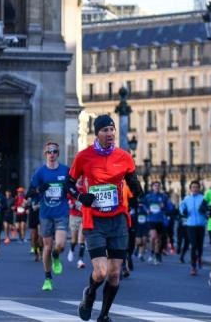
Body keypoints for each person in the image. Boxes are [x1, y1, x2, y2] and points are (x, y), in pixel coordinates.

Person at [69, 114, 143, 322]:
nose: (110, 134)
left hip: (118, 220)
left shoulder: (124, 157)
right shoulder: (84, 157)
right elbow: (69, 184)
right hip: (94, 220)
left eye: (112, 130)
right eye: (105, 130)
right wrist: (80, 196)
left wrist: (138, 191)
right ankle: (89, 294)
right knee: (100, 273)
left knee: (114, 274)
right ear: (97, 133)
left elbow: (133, 182)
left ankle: (104, 315)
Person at [31, 142, 71, 291]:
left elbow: (73, 187)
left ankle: (56, 255)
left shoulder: (65, 171)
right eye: (49, 152)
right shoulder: (40, 172)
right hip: (46, 214)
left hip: (61, 212)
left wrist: (75, 194)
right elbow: (31, 191)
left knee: (60, 245)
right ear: (45, 154)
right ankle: (48, 278)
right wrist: (39, 189)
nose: (52, 154)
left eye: (54, 151)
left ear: (58, 154)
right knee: (46, 247)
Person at [179, 180, 207, 276]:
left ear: (199, 189)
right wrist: (184, 212)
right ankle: (193, 267)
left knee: (200, 246)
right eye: (193, 187)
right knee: (193, 245)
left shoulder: (203, 198)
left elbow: (208, 209)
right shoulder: (187, 199)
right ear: (190, 189)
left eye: (196, 187)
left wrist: (205, 211)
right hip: (190, 225)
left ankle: (199, 257)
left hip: (201, 225)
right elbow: (181, 208)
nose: (195, 188)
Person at [142, 181, 171, 264]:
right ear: (152, 187)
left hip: (160, 220)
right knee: (153, 237)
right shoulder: (148, 196)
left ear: (160, 187)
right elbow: (143, 204)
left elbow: (169, 207)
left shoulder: (163, 197)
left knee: (158, 239)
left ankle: (156, 254)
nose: (157, 187)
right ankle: (152, 251)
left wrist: (164, 206)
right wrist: (146, 210)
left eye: (158, 186)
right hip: (151, 219)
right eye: (155, 186)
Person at [68, 179, 87, 269]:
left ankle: (80, 260)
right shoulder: (72, 187)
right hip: (74, 215)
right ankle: (71, 249)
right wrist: (72, 204)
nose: (80, 178)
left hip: (84, 216)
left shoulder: (86, 186)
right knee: (74, 240)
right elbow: (68, 197)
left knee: (81, 239)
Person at [25, 187, 43, 261]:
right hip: (33, 215)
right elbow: (26, 199)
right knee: (34, 237)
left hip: (42, 215)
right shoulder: (32, 189)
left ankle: (41, 253)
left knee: (40, 236)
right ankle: (36, 253)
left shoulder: (44, 188)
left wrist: (38, 206)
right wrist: (27, 206)